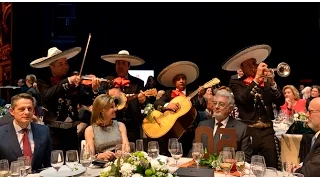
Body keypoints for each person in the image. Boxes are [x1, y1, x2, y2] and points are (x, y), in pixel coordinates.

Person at [222, 44, 284, 169]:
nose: (253, 66)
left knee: (272, 166)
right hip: (249, 131)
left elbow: (280, 102)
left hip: (267, 131)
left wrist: (272, 84)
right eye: (249, 64)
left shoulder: (265, 82)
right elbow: (243, 99)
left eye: (254, 63)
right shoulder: (236, 82)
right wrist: (256, 79)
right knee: (248, 167)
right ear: (242, 68)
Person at [30, 47, 101, 152]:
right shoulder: (43, 81)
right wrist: (67, 81)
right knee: (55, 161)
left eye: (66, 63)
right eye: (61, 64)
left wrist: (94, 90)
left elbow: (86, 101)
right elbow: (48, 95)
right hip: (54, 131)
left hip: (72, 130)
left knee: (73, 161)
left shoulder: (73, 81)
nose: (65, 67)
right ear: (51, 67)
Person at [154, 61, 206, 156]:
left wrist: (201, 97)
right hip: (172, 130)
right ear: (174, 82)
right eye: (178, 79)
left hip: (189, 131)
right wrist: (167, 105)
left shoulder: (193, 93)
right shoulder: (169, 93)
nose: (181, 80)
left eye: (183, 78)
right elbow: (157, 103)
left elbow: (202, 107)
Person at [99, 50, 147, 142]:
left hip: (131, 125)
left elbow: (144, 105)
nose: (120, 66)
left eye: (123, 63)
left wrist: (142, 101)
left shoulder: (138, 83)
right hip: (110, 124)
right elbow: (99, 97)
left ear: (129, 66)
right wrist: (108, 92)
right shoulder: (107, 80)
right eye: (118, 63)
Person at [196, 89, 253, 162]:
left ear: (230, 109)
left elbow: (246, 158)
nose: (216, 107)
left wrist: (232, 161)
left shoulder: (241, 129)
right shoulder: (203, 125)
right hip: (203, 170)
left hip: (228, 171)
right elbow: (194, 151)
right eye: (215, 103)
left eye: (221, 104)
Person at [0, 93, 52, 170]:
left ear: (34, 111)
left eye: (29, 109)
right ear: (12, 111)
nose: (27, 112)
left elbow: (49, 163)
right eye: (22, 109)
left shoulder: (44, 131)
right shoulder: (1, 133)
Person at [85, 94, 129, 161]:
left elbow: (127, 147)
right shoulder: (90, 130)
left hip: (120, 163)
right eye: (112, 107)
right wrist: (99, 156)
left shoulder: (120, 126)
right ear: (102, 110)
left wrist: (122, 152)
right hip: (101, 166)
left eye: (115, 106)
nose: (116, 109)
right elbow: (89, 156)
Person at [294, 97, 320, 177]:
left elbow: (309, 173)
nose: (307, 115)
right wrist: (302, 165)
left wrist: (295, 171)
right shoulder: (316, 136)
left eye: (310, 111)